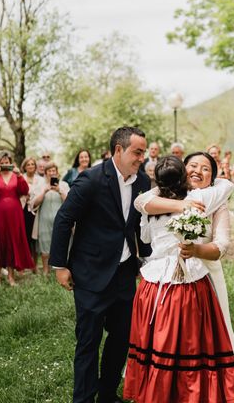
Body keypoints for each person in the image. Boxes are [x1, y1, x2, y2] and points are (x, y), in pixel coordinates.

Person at [133, 151, 234, 390]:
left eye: (206, 168)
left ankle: (200, 378)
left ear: (212, 176)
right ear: (182, 170)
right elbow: (140, 202)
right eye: (192, 165)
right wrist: (181, 204)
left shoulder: (213, 199)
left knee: (205, 334)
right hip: (166, 276)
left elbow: (222, 246)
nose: (198, 171)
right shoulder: (165, 195)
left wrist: (195, 250)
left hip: (206, 274)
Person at [50, 127, 150, 403]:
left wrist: (146, 260)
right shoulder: (91, 179)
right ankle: (83, 400)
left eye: (144, 152)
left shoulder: (142, 182)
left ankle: (107, 394)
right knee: (88, 342)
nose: (142, 157)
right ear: (119, 150)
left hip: (124, 273)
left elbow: (142, 225)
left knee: (121, 339)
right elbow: (63, 220)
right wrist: (60, 266)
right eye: (137, 152)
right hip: (90, 273)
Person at [0, 151, 34, 286]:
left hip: (15, 214)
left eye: (7, 162)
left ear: (11, 163)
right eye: (2, 163)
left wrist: (20, 176)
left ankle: (11, 277)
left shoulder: (16, 175)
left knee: (12, 242)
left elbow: (24, 191)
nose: (5, 165)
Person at [31, 161, 69, 275]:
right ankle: (46, 271)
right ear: (46, 173)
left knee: (61, 244)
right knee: (45, 245)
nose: (52, 173)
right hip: (44, 220)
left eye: (54, 171)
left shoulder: (64, 185)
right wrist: (44, 191)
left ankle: (60, 271)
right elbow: (33, 204)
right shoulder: (40, 186)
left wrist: (59, 191)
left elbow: (70, 202)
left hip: (61, 220)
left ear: (57, 172)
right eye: (49, 171)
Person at [21, 157, 42, 272]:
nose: (30, 166)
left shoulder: (40, 179)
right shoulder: (21, 178)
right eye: (28, 164)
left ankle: (34, 264)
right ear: (24, 166)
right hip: (23, 209)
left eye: (32, 164)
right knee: (24, 237)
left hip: (35, 210)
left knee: (34, 238)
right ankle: (24, 264)